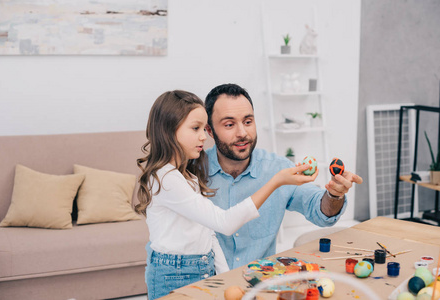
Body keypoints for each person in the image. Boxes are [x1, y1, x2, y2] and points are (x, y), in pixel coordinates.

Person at [136, 90, 318, 299]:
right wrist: (276, 181)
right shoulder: (167, 179)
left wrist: (226, 278)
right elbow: (223, 223)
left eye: (203, 129)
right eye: (195, 128)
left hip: (201, 268)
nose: (203, 136)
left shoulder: (187, 175)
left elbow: (209, 232)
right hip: (173, 275)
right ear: (169, 131)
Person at [204, 83, 364, 269]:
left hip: (259, 282)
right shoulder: (191, 172)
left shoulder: (277, 168)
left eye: (248, 122)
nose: (242, 133)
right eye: (229, 125)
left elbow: (320, 211)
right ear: (209, 131)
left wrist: (334, 194)